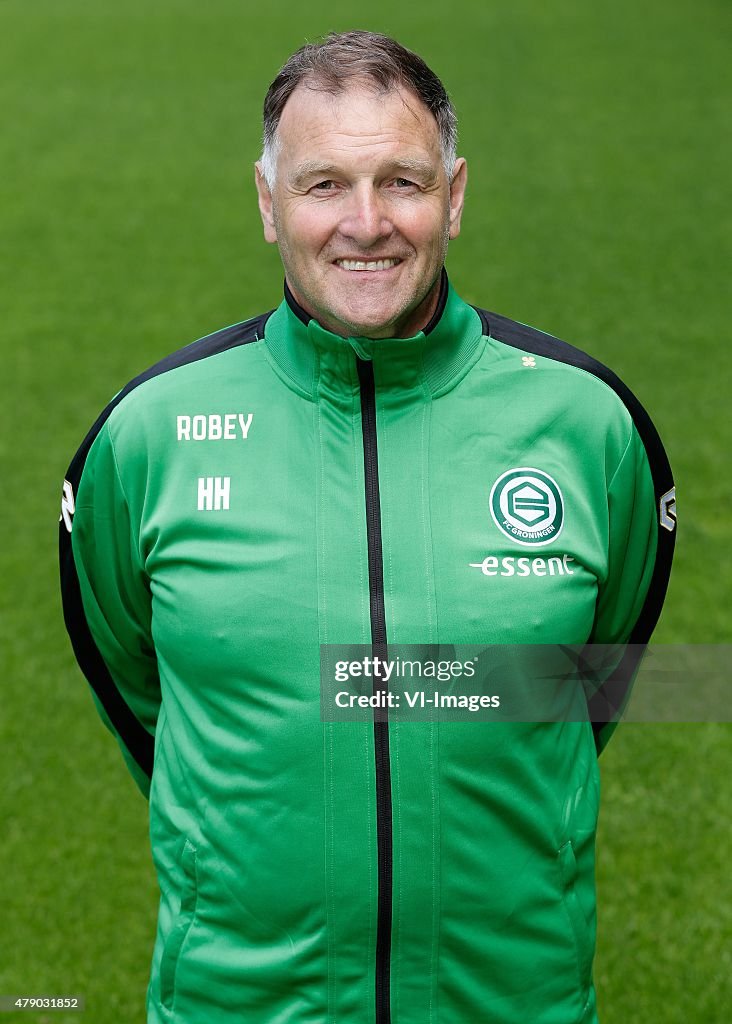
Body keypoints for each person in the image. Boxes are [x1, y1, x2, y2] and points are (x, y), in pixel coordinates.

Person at [59, 30, 676, 1024]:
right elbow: (135, 688)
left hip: (513, 1003)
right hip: (242, 1004)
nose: (366, 223)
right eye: (324, 186)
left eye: (402, 181)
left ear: (456, 195)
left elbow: (593, 683)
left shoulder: (589, 424)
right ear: (268, 204)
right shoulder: (149, 437)